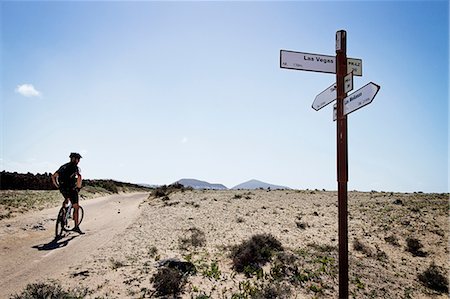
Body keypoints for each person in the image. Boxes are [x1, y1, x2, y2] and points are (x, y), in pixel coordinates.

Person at [52, 152, 84, 234]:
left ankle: (63, 214)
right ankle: (76, 227)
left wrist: (57, 186)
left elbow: (53, 176)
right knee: (76, 207)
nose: (78, 161)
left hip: (62, 188)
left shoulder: (63, 166)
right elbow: (79, 178)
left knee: (67, 199)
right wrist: (78, 187)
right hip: (71, 189)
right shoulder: (75, 168)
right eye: (78, 159)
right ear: (76, 159)